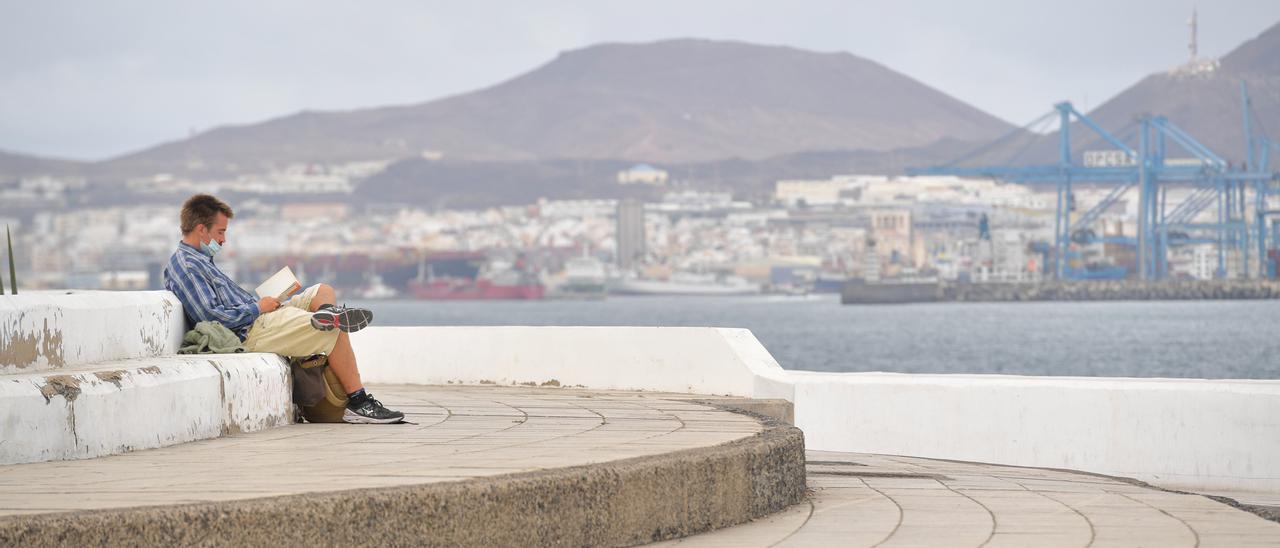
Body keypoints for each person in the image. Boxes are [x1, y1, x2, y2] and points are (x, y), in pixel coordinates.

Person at [162, 194, 403, 424]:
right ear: (201, 229)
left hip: (261, 316)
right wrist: (258, 307)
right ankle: (359, 403)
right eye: (221, 232)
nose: (223, 240)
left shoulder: (200, 260)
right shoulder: (188, 266)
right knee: (336, 327)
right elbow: (212, 316)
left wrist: (266, 302)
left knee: (322, 290)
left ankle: (325, 315)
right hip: (250, 330)